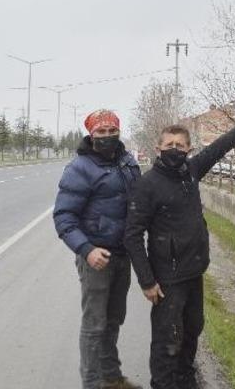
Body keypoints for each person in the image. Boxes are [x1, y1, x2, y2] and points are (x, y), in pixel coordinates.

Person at [124, 113, 235, 389]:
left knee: (192, 331)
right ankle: (163, 384)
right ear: (158, 148)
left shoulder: (192, 171)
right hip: (166, 279)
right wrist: (147, 281)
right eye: (169, 144)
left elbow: (217, 148)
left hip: (193, 271)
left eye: (180, 145)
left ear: (189, 149)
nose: (174, 149)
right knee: (167, 340)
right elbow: (132, 236)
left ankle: (186, 380)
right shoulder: (147, 184)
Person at [53, 109, 143, 389]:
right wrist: (87, 250)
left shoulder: (128, 162)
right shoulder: (79, 168)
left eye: (111, 131)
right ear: (91, 135)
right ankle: (92, 383)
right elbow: (64, 218)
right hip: (95, 258)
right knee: (94, 325)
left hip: (121, 254)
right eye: (100, 132)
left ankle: (112, 377)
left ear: (118, 131)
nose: (106, 136)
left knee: (114, 319)